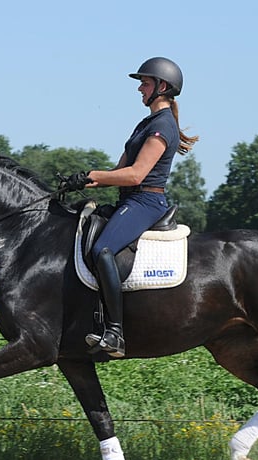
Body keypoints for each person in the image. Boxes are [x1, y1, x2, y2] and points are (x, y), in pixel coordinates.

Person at [62, 56, 199, 358]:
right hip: (130, 199)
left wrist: (95, 175)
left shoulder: (163, 126)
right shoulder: (146, 124)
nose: (139, 88)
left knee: (103, 250)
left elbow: (136, 174)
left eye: (145, 83)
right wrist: (81, 181)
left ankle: (114, 332)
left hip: (146, 201)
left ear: (161, 87)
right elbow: (118, 172)